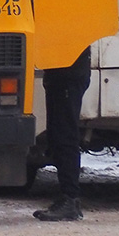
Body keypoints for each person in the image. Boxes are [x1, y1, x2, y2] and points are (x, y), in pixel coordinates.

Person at [34, 46, 91, 221]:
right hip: (62, 74)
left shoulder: (72, 23)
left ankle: (70, 198)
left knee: (65, 135)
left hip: (68, 74)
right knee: (58, 134)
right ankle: (67, 198)